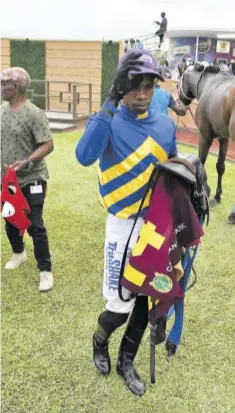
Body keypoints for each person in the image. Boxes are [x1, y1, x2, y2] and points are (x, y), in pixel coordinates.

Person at [75, 50, 177, 397]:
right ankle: (99, 341)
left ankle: (126, 361)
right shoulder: (108, 120)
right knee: (120, 305)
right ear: (122, 87)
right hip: (121, 227)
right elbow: (84, 156)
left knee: (145, 299)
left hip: (154, 227)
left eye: (149, 86)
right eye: (135, 87)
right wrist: (108, 102)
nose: (144, 94)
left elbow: (171, 163)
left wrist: (190, 168)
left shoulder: (164, 124)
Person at [1, 67, 54, 292]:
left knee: (35, 224)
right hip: (7, 180)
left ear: (18, 87)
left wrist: (26, 161)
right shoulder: (2, 111)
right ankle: (19, 253)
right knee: (10, 219)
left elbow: (48, 144)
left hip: (32, 177)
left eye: (5, 84)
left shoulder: (33, 113)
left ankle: (45, 270)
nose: (1, 87)